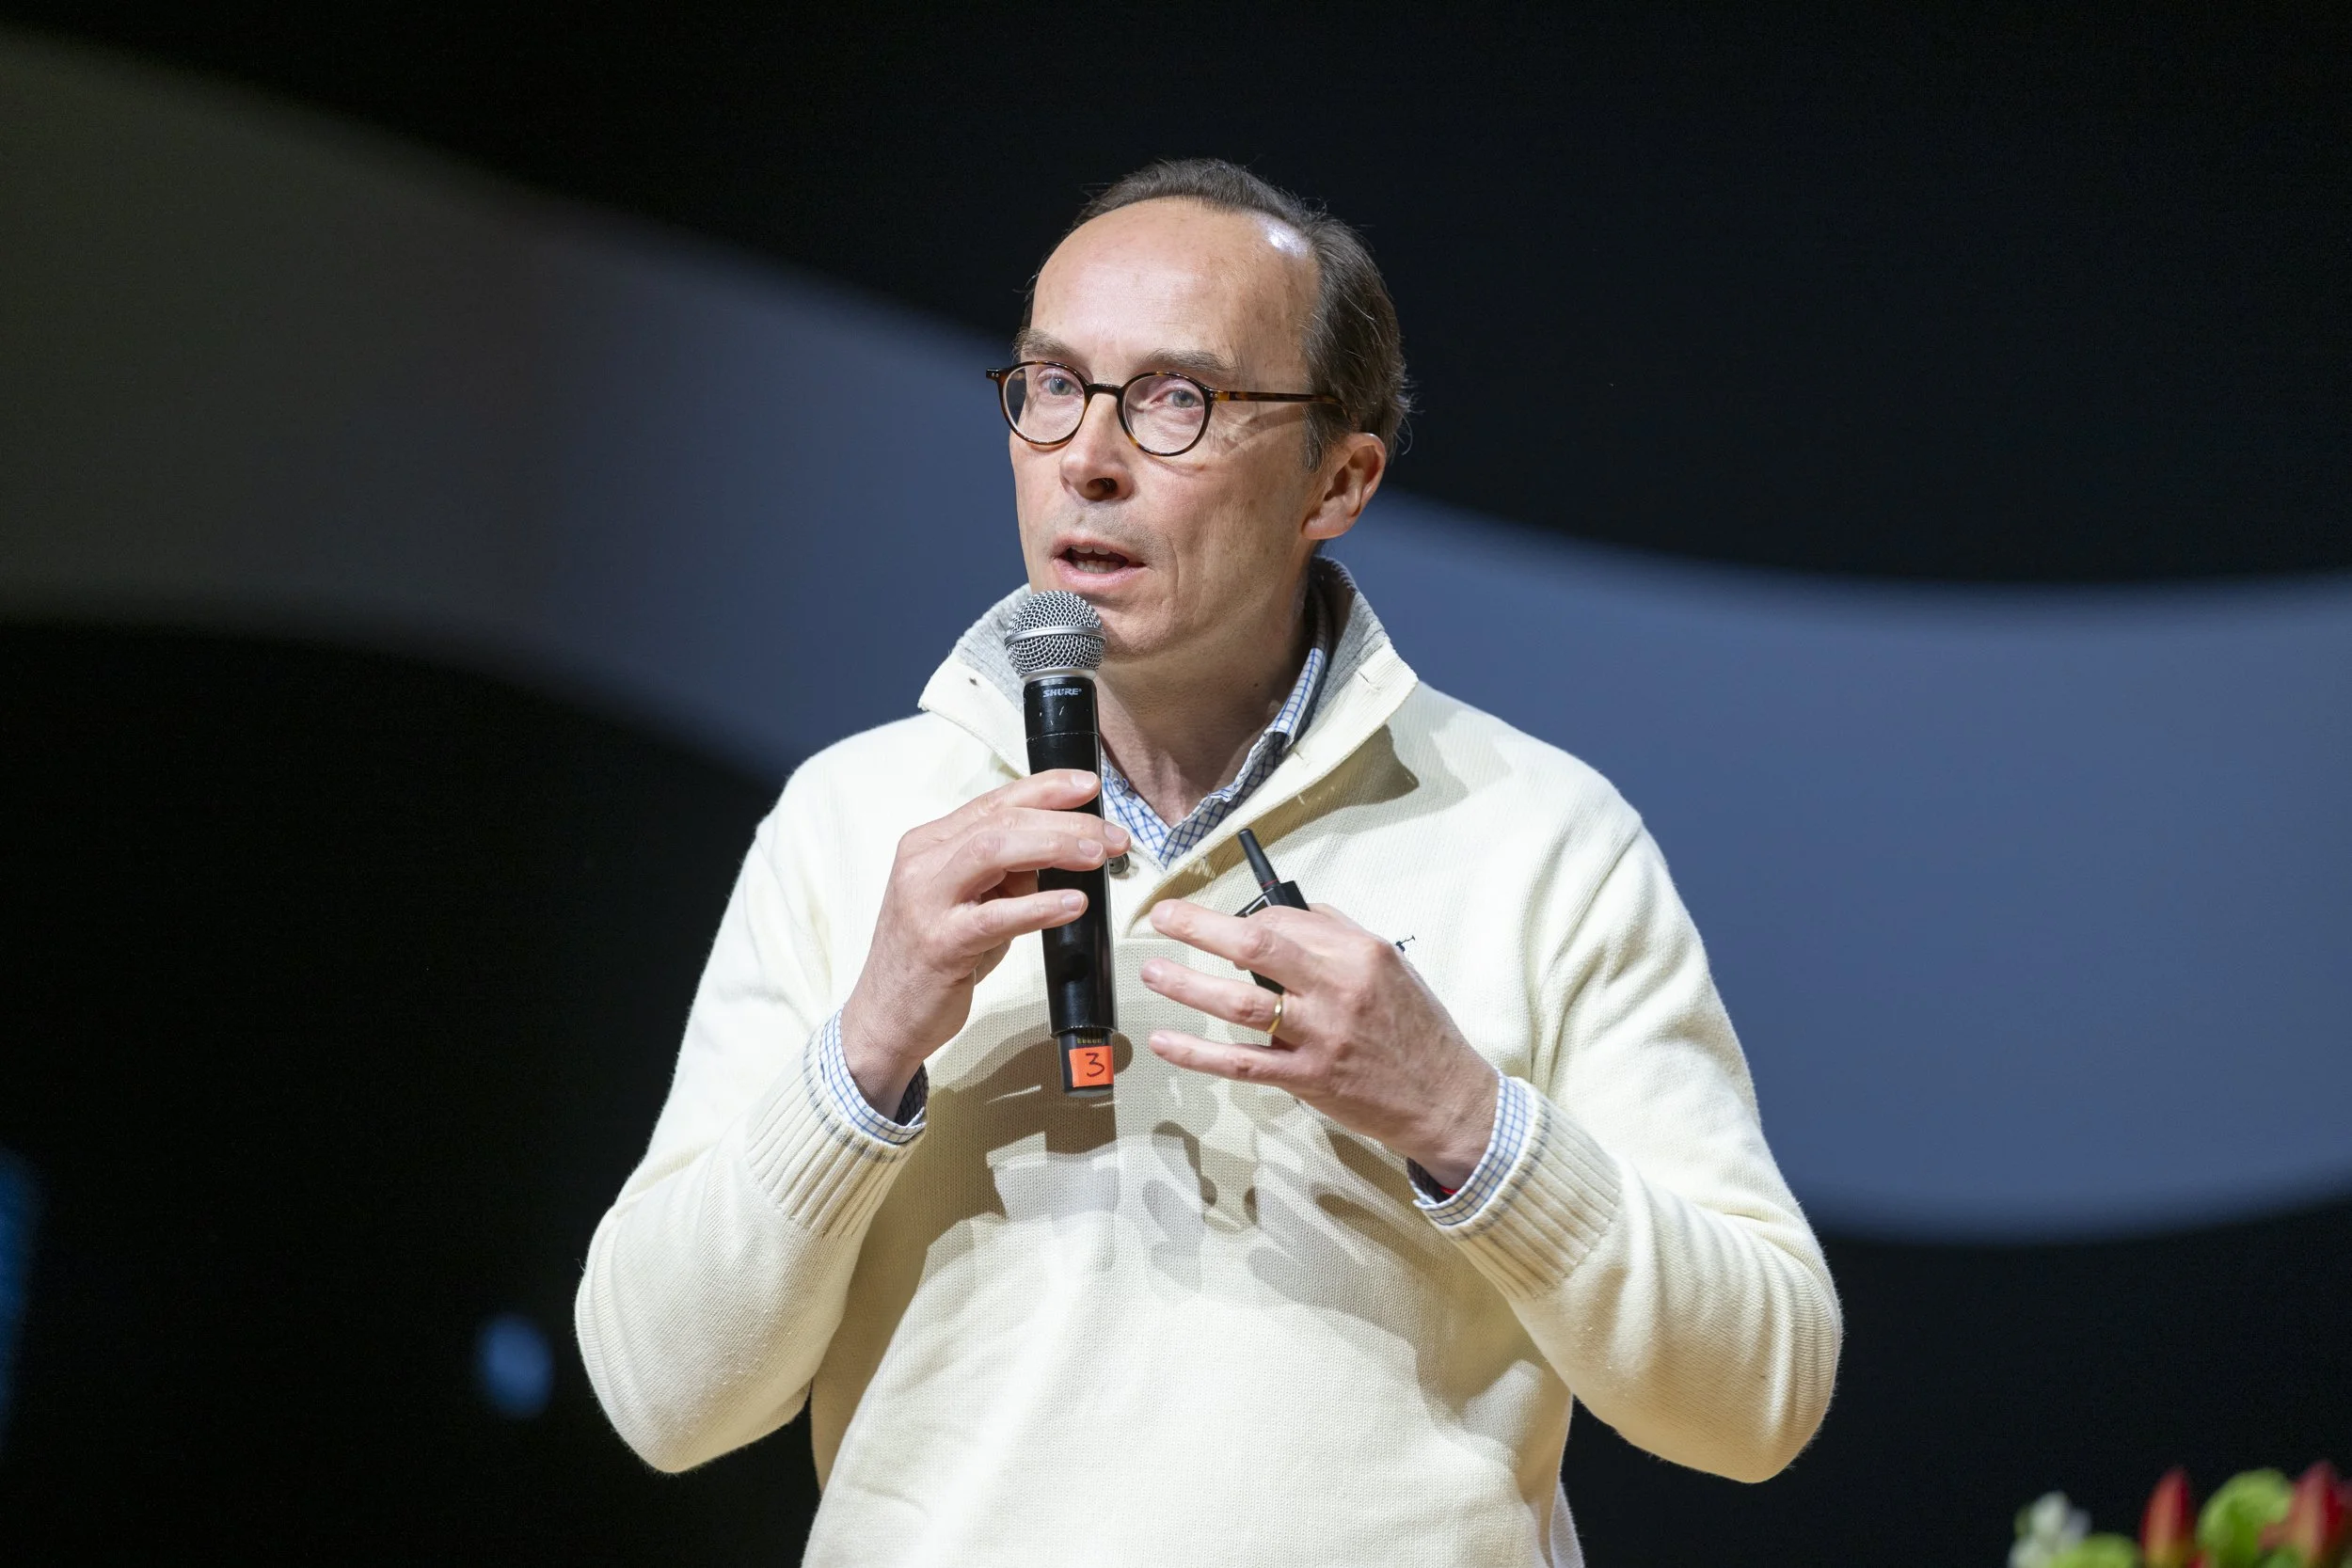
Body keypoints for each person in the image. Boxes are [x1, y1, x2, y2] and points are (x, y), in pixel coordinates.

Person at [576, 158, 1840, 1567]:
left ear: (1339, 478)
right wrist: (869, 1043)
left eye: (1176, 400)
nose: (1089, 455)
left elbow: (1762, 1396)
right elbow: (659, 1395)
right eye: (1052, 386)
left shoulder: (1539, 834)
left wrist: (1467, 1121)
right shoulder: (852, 820)